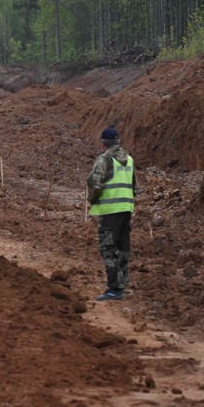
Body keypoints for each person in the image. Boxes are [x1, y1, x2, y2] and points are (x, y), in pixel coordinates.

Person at [87, 127, 136, 301]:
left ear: (103, 143)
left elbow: (95, 184)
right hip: (126, 209)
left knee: (108, 248)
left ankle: (115, 288)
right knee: (123, 248)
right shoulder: (129, 159)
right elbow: (134, 186)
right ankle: (123, 283)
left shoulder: (104, 159)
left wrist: (92, 200)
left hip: (110, 211)